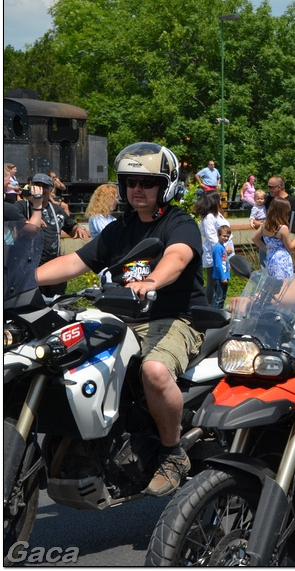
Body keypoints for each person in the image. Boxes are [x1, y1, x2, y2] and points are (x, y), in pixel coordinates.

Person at [36, 142, 205, 497]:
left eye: (147, 182)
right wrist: (22, 280)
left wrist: (151, 281)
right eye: (130, 182)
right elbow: (74, 262)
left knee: (154, 371)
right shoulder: (118, 229)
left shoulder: (180, 222)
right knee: (62, 356)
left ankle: (173, 454)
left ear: (166, 185)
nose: (137, 189)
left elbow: (177, 256)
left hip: (173, 317)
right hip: (121, 319)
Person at [17, 173, 90, 296]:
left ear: (50, 189)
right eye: (37, 185)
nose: (40, 189)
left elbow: (71, 227)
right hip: (30, 266)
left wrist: (78, 229)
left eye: (44, 186)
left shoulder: (57, 210)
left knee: (55, 303)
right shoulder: (21, 207)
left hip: (53, 266)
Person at [193, 191, 234, 304]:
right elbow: (212, 237)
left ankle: (216, 303)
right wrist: (223, 249)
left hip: (224, 253)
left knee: (220, 280)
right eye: (219, 199)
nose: (221, 201)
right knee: (213, 281)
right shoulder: (209, 217)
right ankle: (209, 305)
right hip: (215, 254)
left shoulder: (217, 214)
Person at [253, 196, 295, 279]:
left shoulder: (264, 225)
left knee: (273, 285)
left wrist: (267, 249)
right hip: (282, 261)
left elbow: (254, 239)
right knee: (283, 286)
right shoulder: (283, 228)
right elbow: (290, 247)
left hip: (270, 258)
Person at [210, 224, 232, 309]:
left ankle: (219, 313)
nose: (226, 238)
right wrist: (223, 277)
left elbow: (224, 261)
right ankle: (214, 314)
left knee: (223, 297)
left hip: (225, 275)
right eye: (224, 236)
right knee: (218, 298)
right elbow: (218, 264)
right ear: (218, 235)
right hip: (220, 277)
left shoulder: (222, 247)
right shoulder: (217, 248)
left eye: (227, 236)